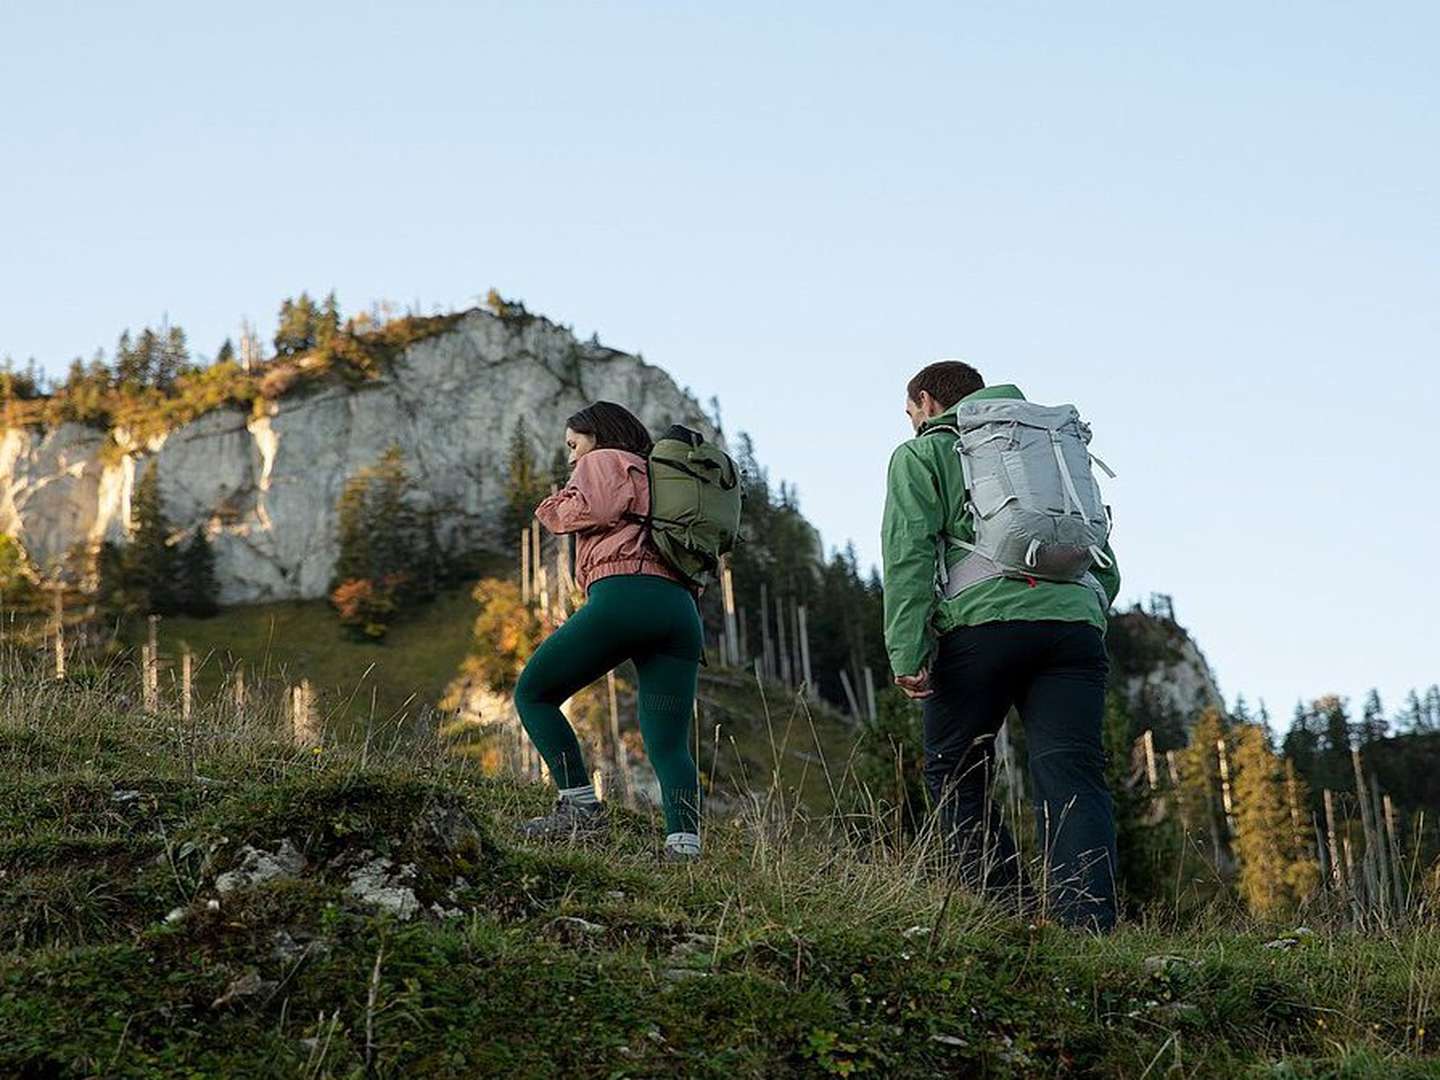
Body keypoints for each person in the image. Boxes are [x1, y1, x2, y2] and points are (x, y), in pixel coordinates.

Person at [881, 360, 1122, 930]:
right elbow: (1101, 555)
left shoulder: (923, 453)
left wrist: (907, 650)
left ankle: (1002, 911)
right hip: (1074, 627)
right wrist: (1083, 611)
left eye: (910, 411)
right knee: (1072, 775)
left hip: (981, 626)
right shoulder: (1047, 447)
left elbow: (908, 552)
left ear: (924, 402)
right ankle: (1085, 924)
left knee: (955, 771)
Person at [513, 401, 705, 862]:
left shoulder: (603, 461)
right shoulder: (663, 475)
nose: (572, 457)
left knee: (533, 694)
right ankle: (684, 848)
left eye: (573, 445)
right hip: (679, 613)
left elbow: (587, 511)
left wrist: (551, 504)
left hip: (624, 597)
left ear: (595, 436)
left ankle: (579, 810)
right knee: (669, 741)